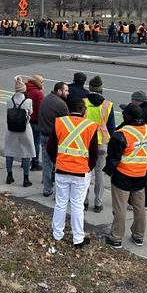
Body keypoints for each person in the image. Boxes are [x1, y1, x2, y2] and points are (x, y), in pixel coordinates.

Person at [104, 104, 147, 249]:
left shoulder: (122, 133)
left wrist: (109, 171)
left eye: (124, 113)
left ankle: (116, 238)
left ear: (128, 116)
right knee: (139, 207)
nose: (122, 114)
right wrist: (144, 165)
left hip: (123, 175)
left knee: (120, 207)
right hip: (141, 175)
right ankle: (138, 236)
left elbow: (113, 157)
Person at [48, 97, 98, 248]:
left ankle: (57, 234)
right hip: (81, 172)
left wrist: (57, 161)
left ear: (69, 109)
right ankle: (78, 239)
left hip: (62, 169)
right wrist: (89, 167)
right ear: (83, 110)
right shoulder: (90, 126)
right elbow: (94, 153)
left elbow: (50, 147)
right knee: (77, 205)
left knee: (60, 203)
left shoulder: (59, 122)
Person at [84, 76, 116, 213]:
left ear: (90, 88)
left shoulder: (83, 102)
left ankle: (84, 201)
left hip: (86, 143)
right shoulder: (108, 105)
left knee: (86, 173)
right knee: (99, 174)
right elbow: (111, 127)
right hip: (102, 143)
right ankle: (98, 203)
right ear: (101, 89)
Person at [39, 82, 70, 197]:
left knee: (47, 163)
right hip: (56, 138)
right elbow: (67, 124)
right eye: (66, 91)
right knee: (58, 164)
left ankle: (47, 188)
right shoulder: (61, 104)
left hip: (43, 135)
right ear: (59, 91)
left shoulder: (45, 99)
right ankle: (58, 190)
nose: (68, 93)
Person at [128, 90, 147, 210]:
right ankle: (143, 202)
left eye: (132, 100)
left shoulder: (142, 112)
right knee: (144, 175)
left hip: (142, 147)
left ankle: (141, 203)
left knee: (139, 176)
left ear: (137, 101)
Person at [4, 78, 37, 187]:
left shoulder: (9, 100)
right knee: (26, 152)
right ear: (24, 90)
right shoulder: (28, 101)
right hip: (25, 128)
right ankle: (26, 179)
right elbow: (31, 112)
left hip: (11, 128)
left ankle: (9, 176)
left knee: (9, 151)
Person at [25, 75, 45, 171]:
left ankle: (25, 161)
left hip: (25, 121)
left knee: (26, 142)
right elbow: (42, 109)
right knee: (36, 143)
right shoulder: (38, 94)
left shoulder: (25, 89)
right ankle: (35, 163)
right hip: (36, 121)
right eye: (42, 82)